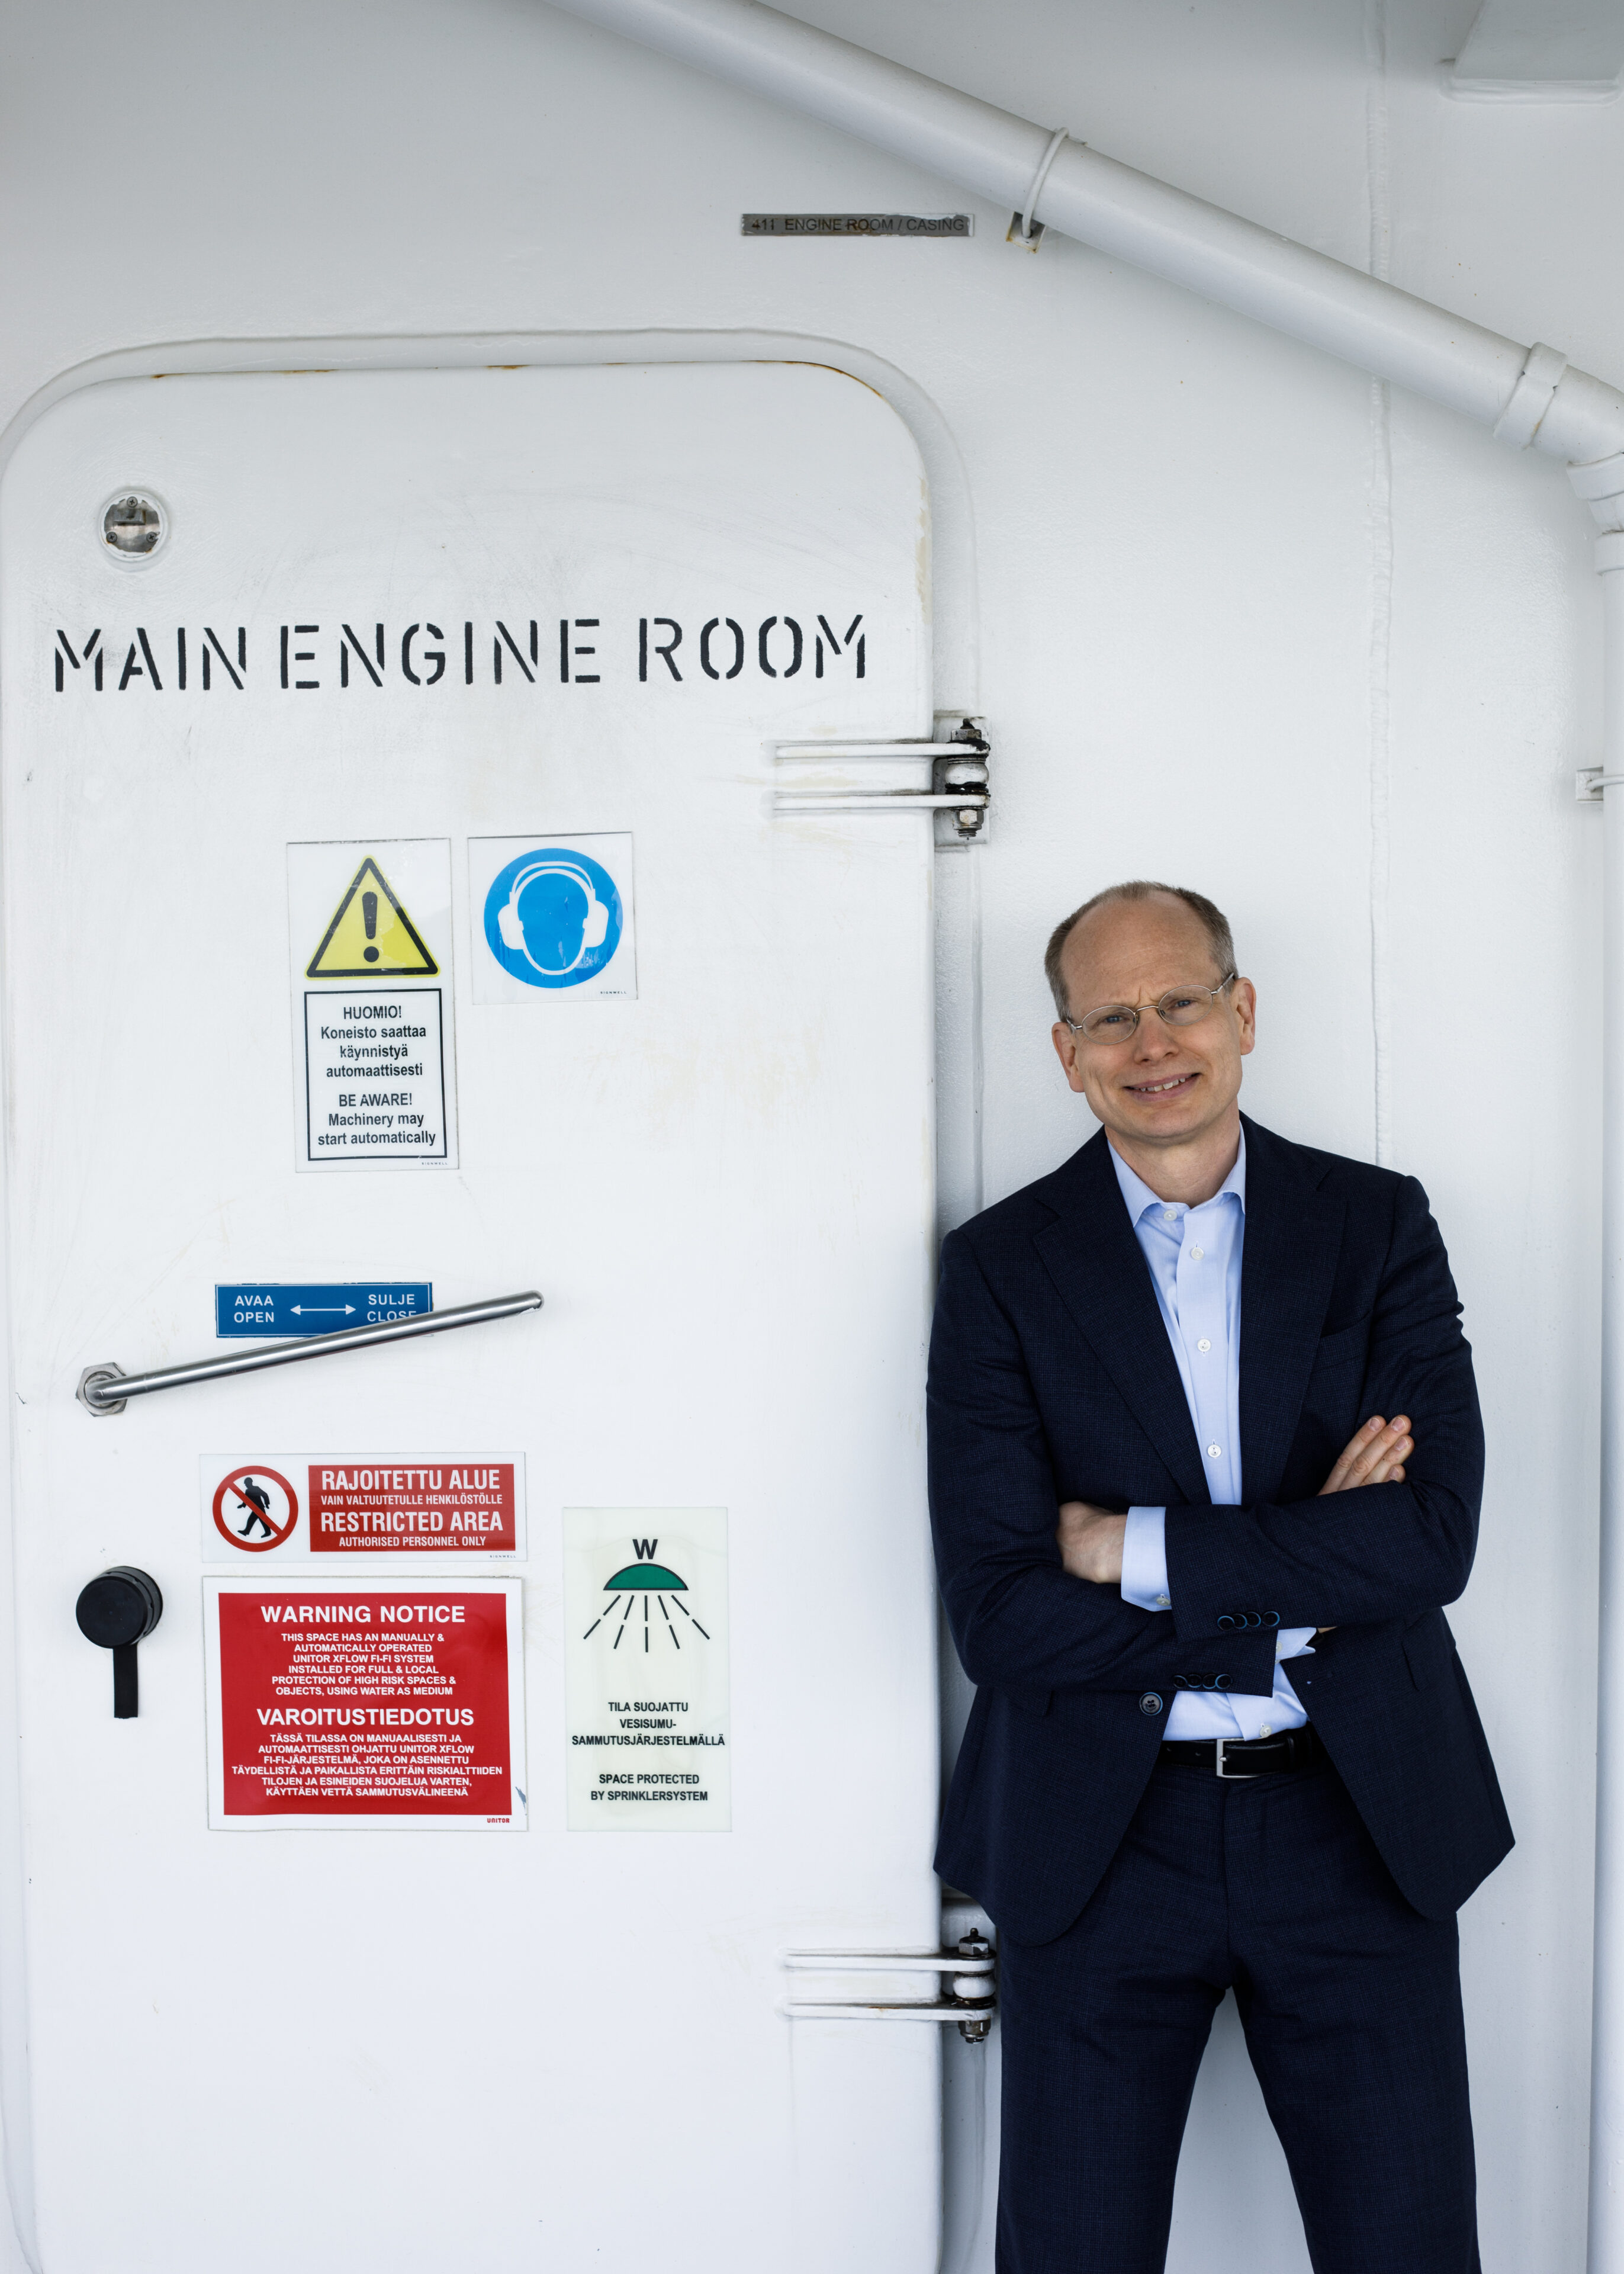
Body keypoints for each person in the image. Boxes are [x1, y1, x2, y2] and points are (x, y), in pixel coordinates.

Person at [927, 880, 1510, 2274]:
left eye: (1180, 1000)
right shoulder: (1001, 1268)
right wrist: (1300, 1573)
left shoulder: (1374, 1228)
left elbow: (1430, 1540)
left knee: (1408, 2252)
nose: (1153, 1041)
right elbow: (1003, 1617)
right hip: (1097, 1841)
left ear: (1240, 1011)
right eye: (1111, 1017)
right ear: (1065, 1053)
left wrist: (1126, 1550)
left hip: (1358, 1823)